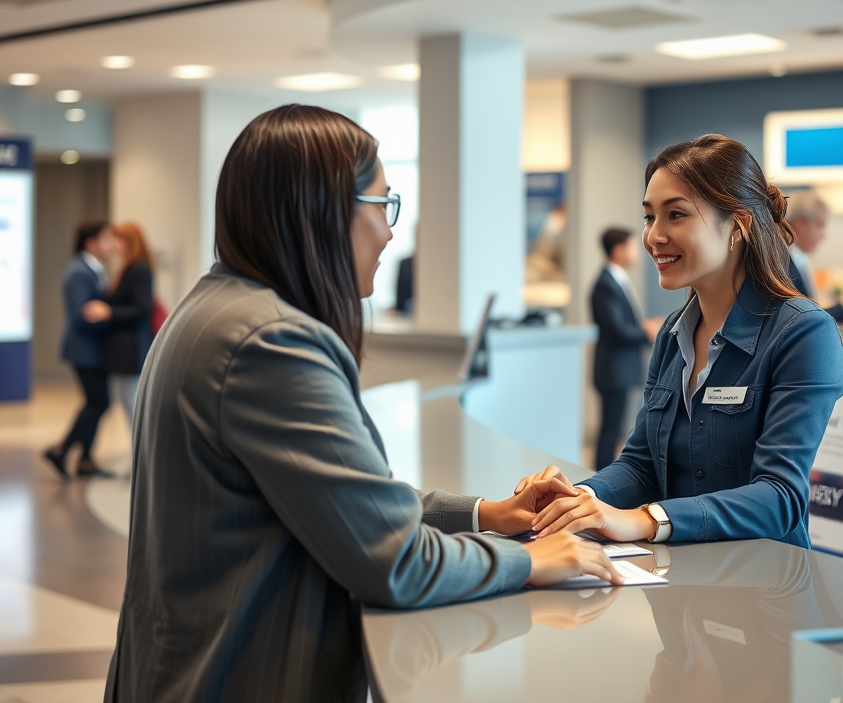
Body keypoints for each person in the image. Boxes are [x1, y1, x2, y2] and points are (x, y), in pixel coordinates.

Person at [104, 105, 620, 703]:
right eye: (384, 205)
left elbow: (350, 504)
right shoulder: (271, 341)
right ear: (323, 210)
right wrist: (529, 561)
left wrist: (488, 513)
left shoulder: (216, 308)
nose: (391, 231)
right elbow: (395, 563)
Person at [515, 134, 843, 547]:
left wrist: (645, 521)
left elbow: (780, 498)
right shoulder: (674, 335)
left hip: (764, 589)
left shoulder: (804, 333)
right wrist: (580, 499)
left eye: (676, 215)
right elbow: (641, 465)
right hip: (677, 585)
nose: (654, 236)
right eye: (649, 217)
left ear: (739, 225)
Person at [43, 220, 116, 480]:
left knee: (97, 402)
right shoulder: (79, 271)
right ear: (91, 243)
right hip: (84, 349)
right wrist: (110, 317)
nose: (111, 245)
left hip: (94, 350)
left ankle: (85, 459)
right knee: (99, 401)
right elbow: (81, 315)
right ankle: (61, 449)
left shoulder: (93, 269)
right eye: (106, 239)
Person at [590, 228, 662, 470]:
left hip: (619, 368)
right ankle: (598, 479)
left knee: (615, 428)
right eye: (632, 247)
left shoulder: (617, 279)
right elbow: (616, 329)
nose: (638, 252)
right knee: (610, 430)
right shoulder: (606, 283)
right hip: (613, 370)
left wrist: (644, 327)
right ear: (618, 250)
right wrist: (646, 332)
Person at [82, 222, 155, 435]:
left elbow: (143, 309)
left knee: (132, 406)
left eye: (117, 239)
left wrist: (109, 312)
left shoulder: (138, 268)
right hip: (123, 350)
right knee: (126, 404)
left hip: (130, 349)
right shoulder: (129, 267)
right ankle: (138, 461)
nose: (113, 244)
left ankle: (141, 463)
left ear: (128, 242)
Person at [785, 191, 843, 324]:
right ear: (801, 224)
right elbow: (804, 320)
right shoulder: (785, 263)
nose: (824, 236)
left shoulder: (798, 259)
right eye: (820, 226)